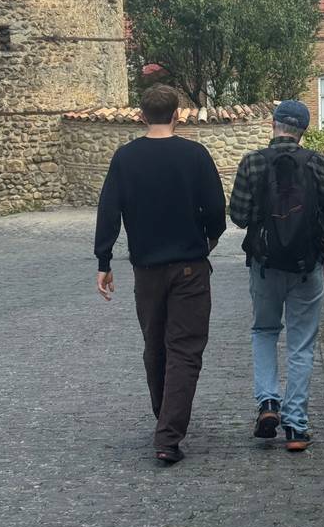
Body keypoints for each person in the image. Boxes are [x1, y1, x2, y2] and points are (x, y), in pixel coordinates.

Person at [94, 84, 226, 464]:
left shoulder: (125, 158)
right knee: (185, 349)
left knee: (155, 345)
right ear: (177, 115)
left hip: (147, 269)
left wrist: (104, 261)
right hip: (190, 266)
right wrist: (210, 237)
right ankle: (168, 434)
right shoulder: (195, 155)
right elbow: (216, 208)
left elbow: (109, 210)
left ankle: (163, 415)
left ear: (141, 116)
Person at [230, 99, 324, 452]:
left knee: (264, 331)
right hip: (307, 265)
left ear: (273, 125)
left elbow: (238, 216)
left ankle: (268, 403)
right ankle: (296, 426)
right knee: (301, 343)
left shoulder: (252, 162)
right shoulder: (319, 163)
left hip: (265, 264)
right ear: (303, 131)